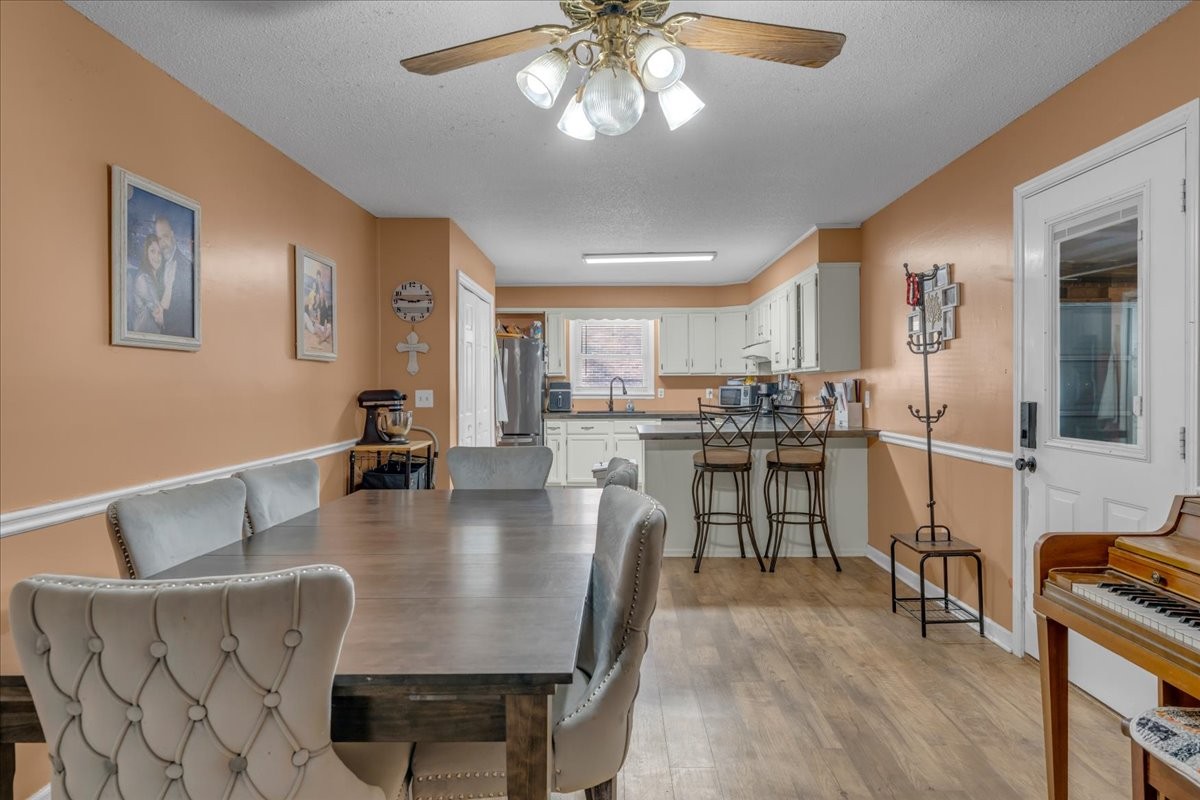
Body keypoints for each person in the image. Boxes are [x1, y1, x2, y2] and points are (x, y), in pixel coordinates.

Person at [154, 215, 193, 338]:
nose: (163, 243)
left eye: (165, 237)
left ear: (172, 235)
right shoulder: (157, 264)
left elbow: (185, 313)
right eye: (159, 239)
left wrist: (162, 319)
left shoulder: (186, 267)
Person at [131, 234, 164, 334]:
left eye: (160, 253)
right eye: (152, 251)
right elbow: (159, 317)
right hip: (143, 336)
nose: (156, 257)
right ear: (146, 253)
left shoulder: (156, 278)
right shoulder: (143, 279)